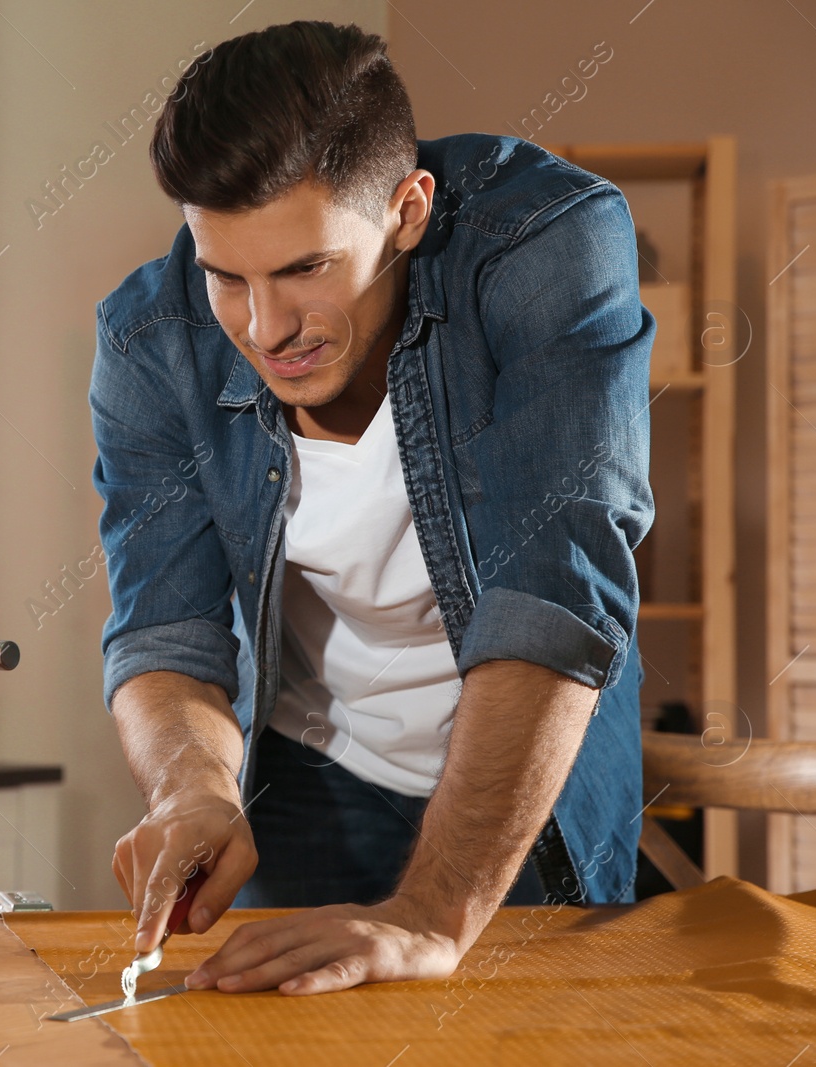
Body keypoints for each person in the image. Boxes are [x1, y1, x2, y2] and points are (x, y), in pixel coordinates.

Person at [89, 21, 654, 996]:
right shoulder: (150, 336)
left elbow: (552, 600)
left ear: (407, 210)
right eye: (226, 274)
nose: (264, 330)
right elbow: (164, 636)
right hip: (313, 775)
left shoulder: (544, 245)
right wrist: (195, 784)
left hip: (525, 776)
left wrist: (430, 916)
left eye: (305, 268)